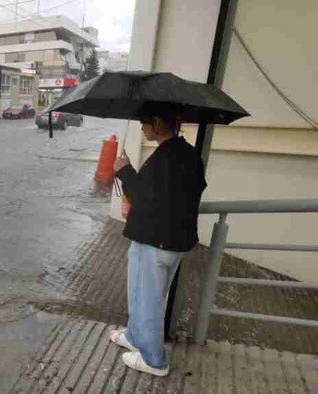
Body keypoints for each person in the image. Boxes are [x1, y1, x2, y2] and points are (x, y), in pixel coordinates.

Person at [110, 103, 207, 376]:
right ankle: (135, 336)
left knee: (147, 299)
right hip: (172, 241)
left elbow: (143, 197)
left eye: (144, 123)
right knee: (146, 295)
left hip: (154, 241)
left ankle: (154, 360)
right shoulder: (188, 154)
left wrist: (124, 170)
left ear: (157, 123)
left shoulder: (165, 157)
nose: (141, 128)